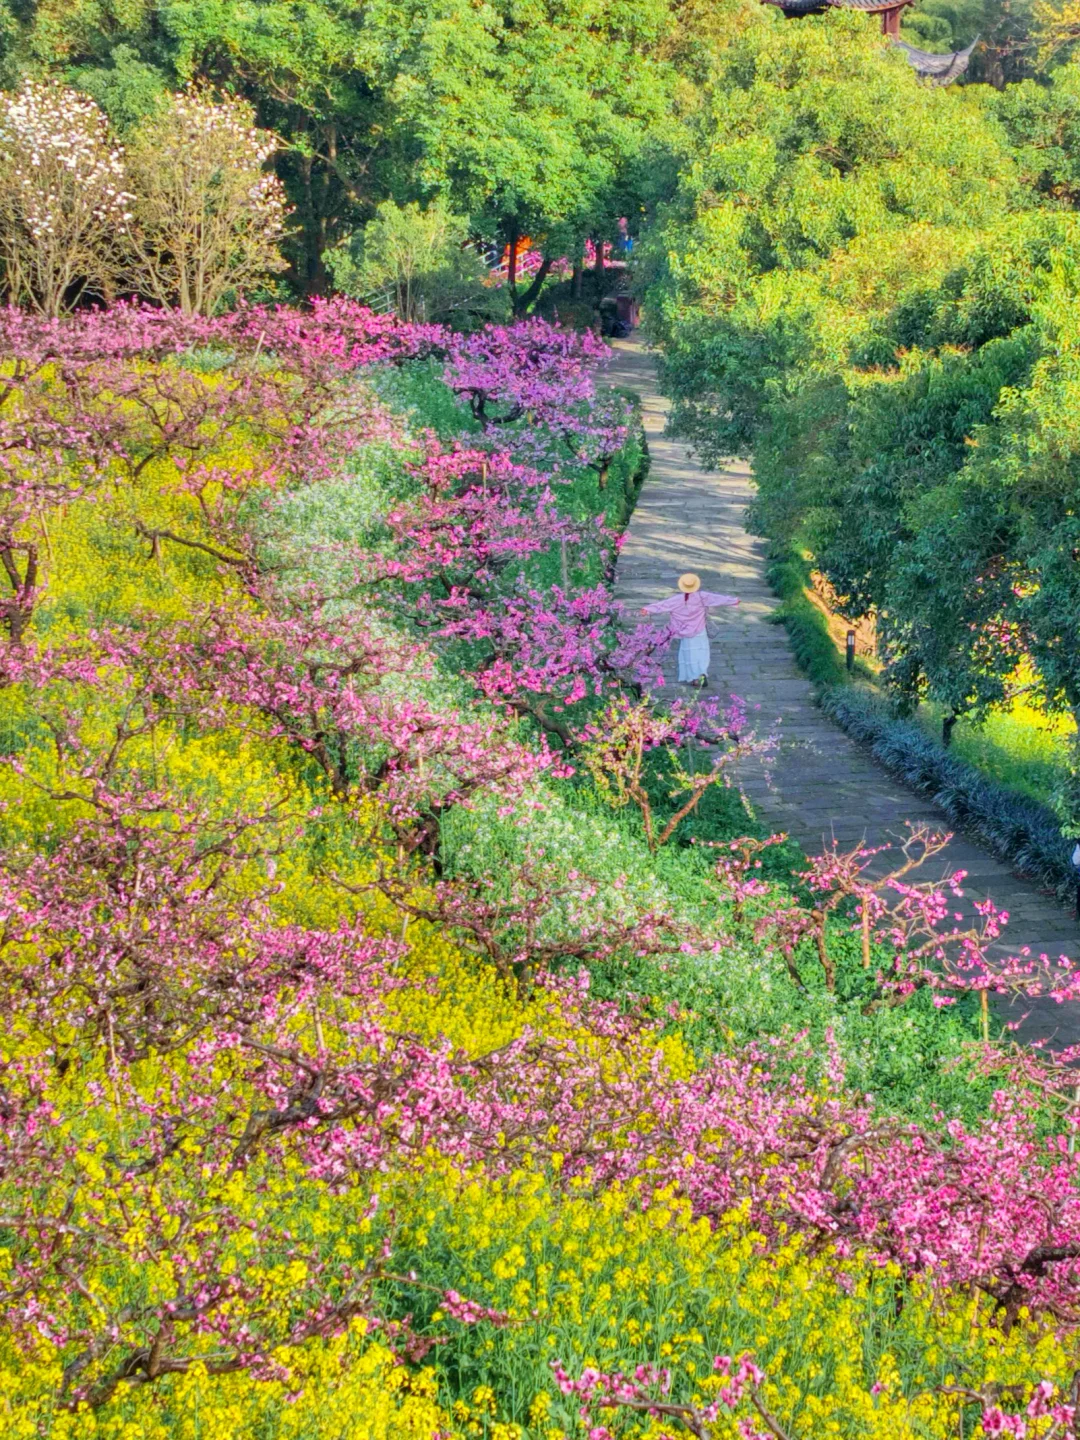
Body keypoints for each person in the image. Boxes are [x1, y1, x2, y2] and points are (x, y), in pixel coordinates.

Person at [640, 572, 739, 687]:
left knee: (689, 655)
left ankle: (694, 677)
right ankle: (701, 673)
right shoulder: (702, 596)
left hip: (685, 632)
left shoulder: (677, 599)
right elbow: (718, 599)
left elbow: (662, 605)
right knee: (702, 654)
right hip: (699, 631)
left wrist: (647, 609)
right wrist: (733, 601)